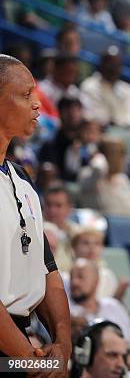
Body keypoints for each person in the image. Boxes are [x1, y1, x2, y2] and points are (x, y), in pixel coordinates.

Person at [0, 54, 71, 369]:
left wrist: (63, 345)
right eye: (25, 94)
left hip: (19, 338)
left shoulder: (22, 179)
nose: (37, 104)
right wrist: (29, 362)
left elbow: (47, 269)